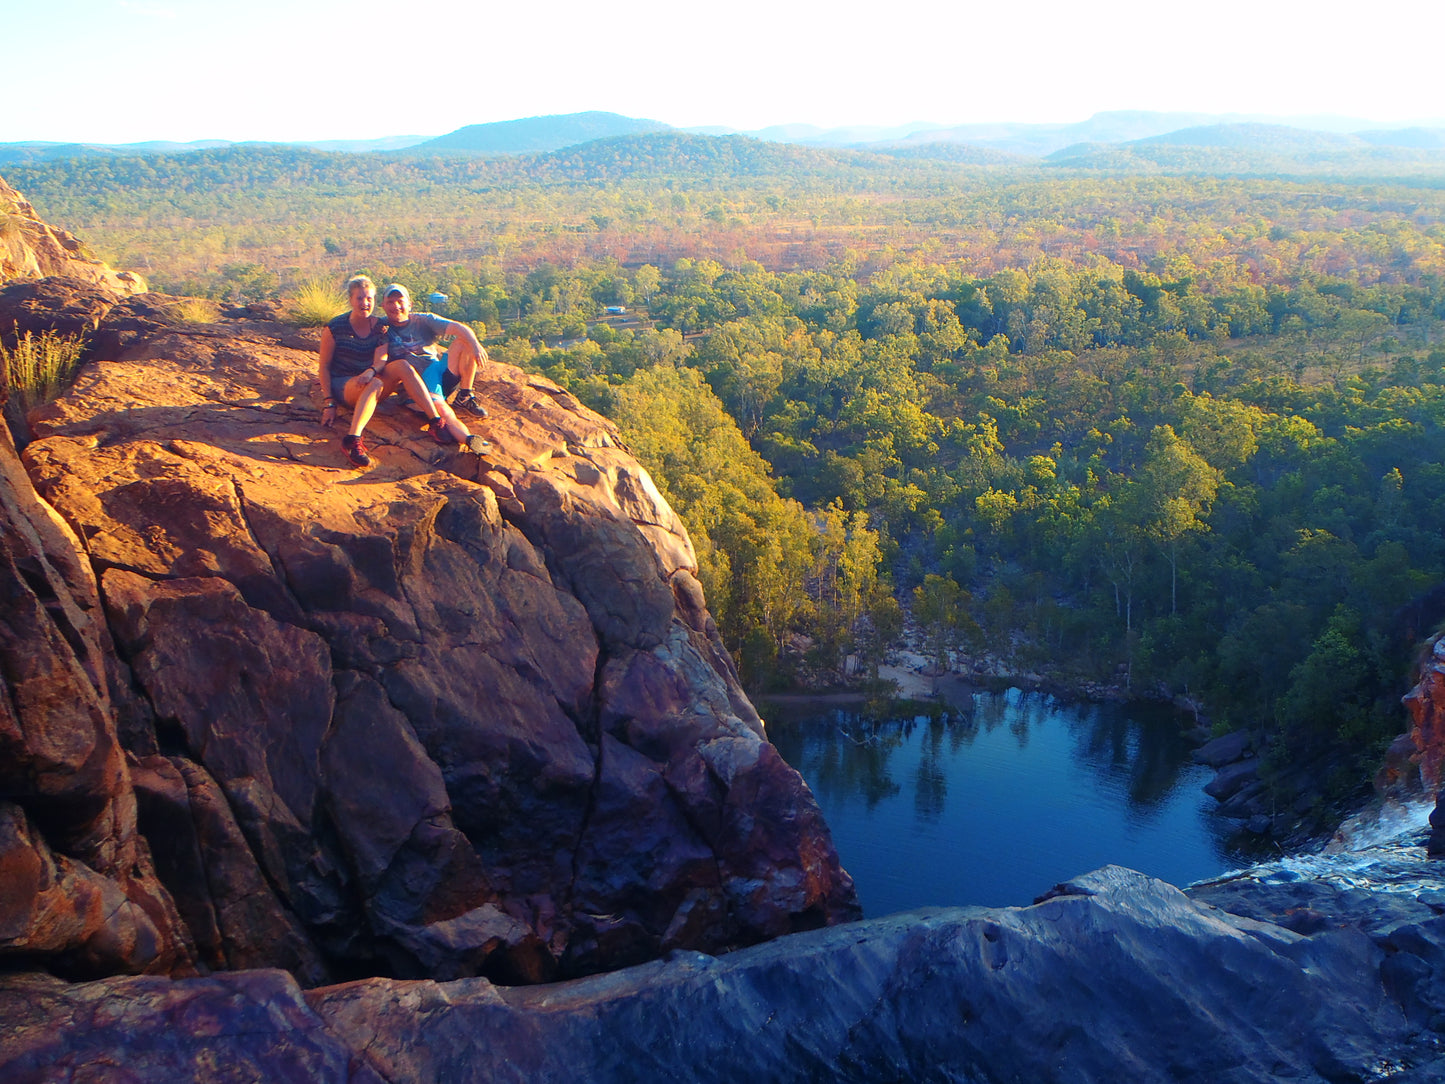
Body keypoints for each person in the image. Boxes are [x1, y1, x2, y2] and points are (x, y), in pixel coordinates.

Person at [376, 283, 490, 454]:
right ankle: (469, 439)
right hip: (417, 385)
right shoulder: (379, 327)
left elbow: (459, 328)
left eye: (400, 301)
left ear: (409, 304)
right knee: (443, 410)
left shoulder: (423, 320)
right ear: (383, 305)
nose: (396, 306)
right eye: (390, 302)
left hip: (438, 372)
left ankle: (465, 396)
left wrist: (475, 345)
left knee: (464, 341)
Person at [316, 274, 404, 468]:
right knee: (375, 383)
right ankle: (352, 440)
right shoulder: (335, 327)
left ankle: (435, 419)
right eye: (360, 298)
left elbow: (382, 358)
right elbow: (324, 366)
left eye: (369, 299)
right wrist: (329, 403)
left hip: (369, 380)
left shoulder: (380, 327)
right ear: (350, 300)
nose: (365, 303)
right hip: (344, 384)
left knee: (401, 368)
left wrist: (371, 370)